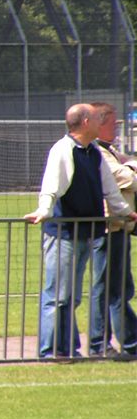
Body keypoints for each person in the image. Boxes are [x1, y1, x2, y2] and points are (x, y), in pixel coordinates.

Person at [23, 103, 137, 358]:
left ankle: (66, 349)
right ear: (85, 122)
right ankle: (51, 350)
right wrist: (44, 209)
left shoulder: (93, 151)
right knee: (58, 295)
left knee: (71, 297)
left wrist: (124, 212)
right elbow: (51, 186)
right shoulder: (62, 150)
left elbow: (109, 189)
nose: (102, 122)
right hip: (63, 234)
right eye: (97, 118)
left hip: (88, 232)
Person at [89, 101, 137, 357]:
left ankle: (116, 341)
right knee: (109, 287)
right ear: (98, 122)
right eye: (113, 123)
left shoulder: (108, 150)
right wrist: (130, 167)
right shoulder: (98, 151)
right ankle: (104, 343)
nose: (117, 128)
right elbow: (125, 177)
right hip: (110, 227)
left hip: (121, 226)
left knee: (118, 287)